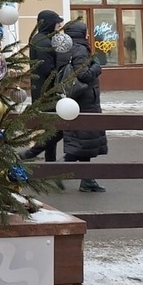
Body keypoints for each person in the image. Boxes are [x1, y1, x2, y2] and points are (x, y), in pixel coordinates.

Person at [56, 19, 107, 192]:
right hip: (85, 101)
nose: (87, 34)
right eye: (85, 31)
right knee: (83, 142)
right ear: (80, 33)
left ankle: (87, 180)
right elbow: (84, 75)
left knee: (85, 142)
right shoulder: (80, 50)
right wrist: (97, 67)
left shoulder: (67, 49)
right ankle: (59, 169)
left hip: (77, 100)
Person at [20, 9, 64, 161]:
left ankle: (50, 161)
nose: (59, 25)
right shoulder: (44, 42)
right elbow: (47, 70)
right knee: (58, 129)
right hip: (47, 93)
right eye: (57, 22)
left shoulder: (39, 39)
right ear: (50, 23)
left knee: (50, 128)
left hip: (42, 91)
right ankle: (31, 153)